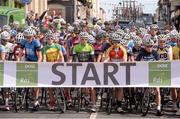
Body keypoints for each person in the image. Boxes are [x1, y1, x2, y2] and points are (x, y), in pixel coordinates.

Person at [136, 37, 162, 116]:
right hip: (144, 74)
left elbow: (158, 64)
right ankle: (140, 99)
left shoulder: (155, 53)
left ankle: (158, 108)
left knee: (157, 90)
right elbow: (136, 64)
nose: (150, 48)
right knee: (140, 89)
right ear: (145, 46)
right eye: (148, 46)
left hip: (153, 73)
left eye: (151, 46)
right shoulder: (141, 53)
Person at [72, 32, 97, 112]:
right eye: (82, 39)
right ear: (80, 39)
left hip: (89, 67)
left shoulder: (90, 47)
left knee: (92, 87)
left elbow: (92, 60)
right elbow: (75, 59)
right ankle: (81, 100)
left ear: (87, 40)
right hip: (80, 67)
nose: (84, 40)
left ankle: (93, 104)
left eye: (85, 39)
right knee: (81, 86)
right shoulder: (76, 47)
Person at [20, 27, 42, 111]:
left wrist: (37, 65)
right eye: (26, 37)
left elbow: (40, 56)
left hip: (36, 60)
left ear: (32, 36)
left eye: (29, 37)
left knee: (35, 83)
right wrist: (18, 61)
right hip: (28, 59)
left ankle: (36, 100)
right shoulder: (23, 41)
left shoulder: (36, 42)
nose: (28, 39)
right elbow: (20, 53)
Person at [104, 33, 127, 113]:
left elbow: (125, 60)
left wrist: (122, 62)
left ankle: (119, 106)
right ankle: (109, 99)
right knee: (111, 87)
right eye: (114, 42)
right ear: (112, 42)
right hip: (111, 69)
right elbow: (106, 58)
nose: (115, 43)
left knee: (120, 88)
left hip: (120, 70)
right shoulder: (110, 49)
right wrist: (105, 61)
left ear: (119, 42)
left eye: (117, 42)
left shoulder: (123, 49)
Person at [42, 33, 64, 110]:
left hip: (57, 66)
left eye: (51, 39)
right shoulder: (44, 48)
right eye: (48, 39)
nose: (50, 40)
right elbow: (44, 58)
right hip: (49, 67)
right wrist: (44, 64)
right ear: (46, 40)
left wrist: (62, 64)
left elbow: (61, 56)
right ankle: (52, 102)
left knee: (62, 84)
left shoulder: (58, 46)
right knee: (50, 87)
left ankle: (67, 97)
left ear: (53, 39)